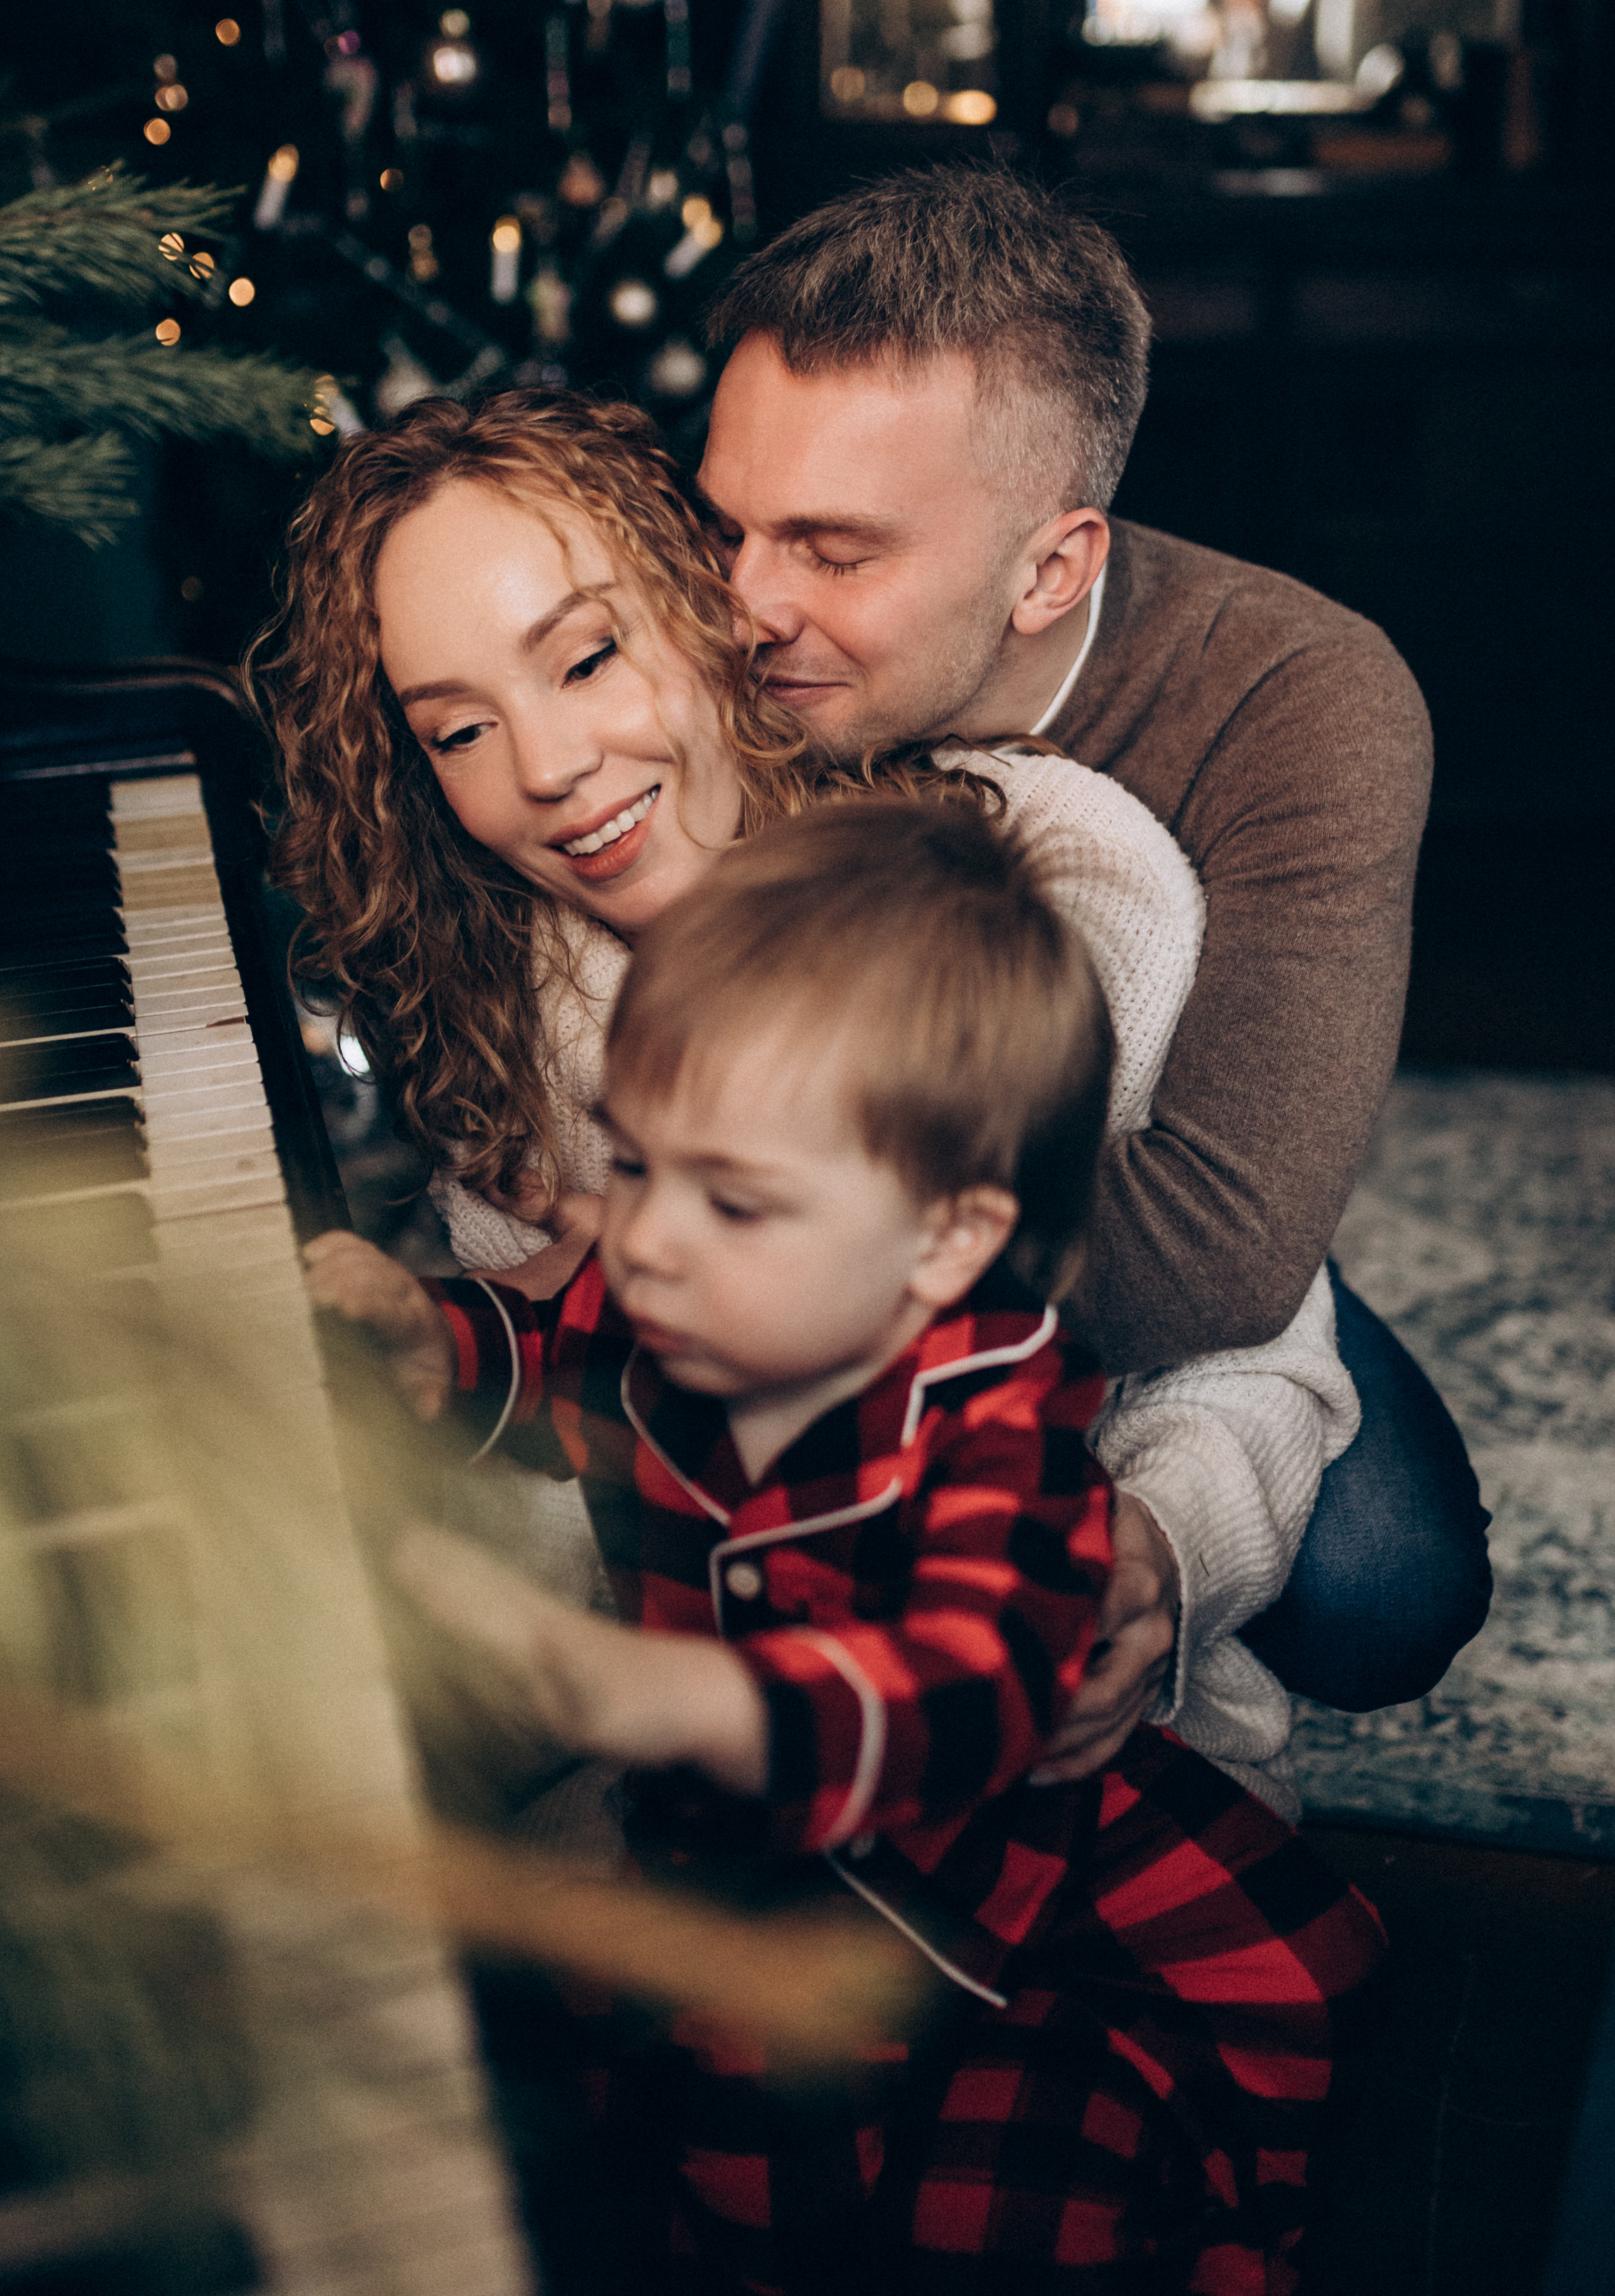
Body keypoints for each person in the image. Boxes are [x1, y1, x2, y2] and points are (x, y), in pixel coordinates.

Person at [306, 796, 1386, 2296]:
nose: (654, 1238)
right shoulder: (672, 1293)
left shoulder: (989, 1417)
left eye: (731, 1199)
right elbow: (557, 1342)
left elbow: (974, 1677)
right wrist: (438, 1339)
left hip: (949, 1876)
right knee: (725, 2180)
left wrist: (669, 1704)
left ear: (943, 1243)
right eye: (633, 1166)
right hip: (741, 1839)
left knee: (970, 2208)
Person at [250, 389, 1356, 1813]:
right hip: (776, 1745)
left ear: (713, 608)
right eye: (459, 732)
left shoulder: (1034, 882)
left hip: (1063, 1756)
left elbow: (1240, 1336)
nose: (545, 769)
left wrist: (1159, 1543)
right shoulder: (503, 1023)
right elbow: (594, 1436)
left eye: (586, 659)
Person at [694, 160, 1491, 1741]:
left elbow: (1216, 1241)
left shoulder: (1301, 696)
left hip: (1118, 1165)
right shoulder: (714, 630)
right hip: (760, 1188)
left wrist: (784, 1275)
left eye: (834, 553)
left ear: (1052, 566)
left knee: (1383, 1585)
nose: (739, 609)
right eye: (727, 524)